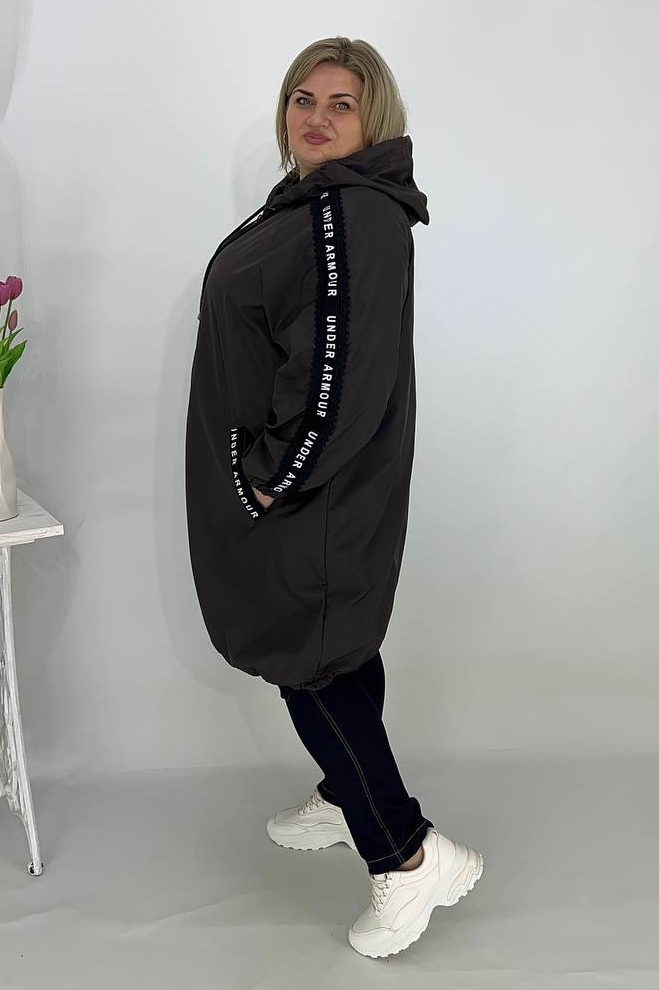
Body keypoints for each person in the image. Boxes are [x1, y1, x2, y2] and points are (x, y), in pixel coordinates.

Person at [185, 35, 484, 958]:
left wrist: (269, 477)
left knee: (306, 658)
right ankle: (342, 791)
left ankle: (403, 853)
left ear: (372, 120)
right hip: (317, 488)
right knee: (335, 645)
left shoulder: (347, 212)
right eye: (302, 99)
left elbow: (335, 375)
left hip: (309, 492)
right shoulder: (319, 201)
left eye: (340, 105)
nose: (315, 118)